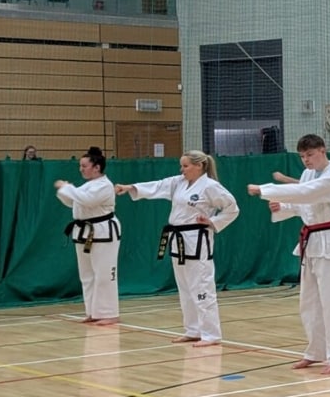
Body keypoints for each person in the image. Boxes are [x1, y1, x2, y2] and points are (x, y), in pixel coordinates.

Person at [248, 135, 330, 375]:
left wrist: (265, 190)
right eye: (303, 156)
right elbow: (304, 204)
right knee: (309, 301)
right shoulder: (308, 175)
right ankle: (316, 351)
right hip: (311, 240)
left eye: (310, 155)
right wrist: (283, 207)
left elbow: (308, 193)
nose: (306, 160)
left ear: (323, 150)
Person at [115, 151, 238, 345]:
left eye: (186, 166)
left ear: (199, 166)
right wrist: (130, 187)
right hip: (177, 238)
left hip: (197, 238)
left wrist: (213, 221)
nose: (182, 170)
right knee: (185, 287)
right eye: (181, 166)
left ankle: (211, 334)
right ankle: (193, 329)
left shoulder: (211, 186)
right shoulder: (178, 182)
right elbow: (157, 186)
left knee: (202, 286)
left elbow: (232, 208)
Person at [55, 146, 120, 325]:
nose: (81, 169)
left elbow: (86, 200)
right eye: (80, 166)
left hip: (103, 231)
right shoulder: (87, 185)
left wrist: (66, 187)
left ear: (96, 167)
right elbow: (72, 201)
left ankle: (110, 313)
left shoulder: (105, 185)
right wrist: (66, 191)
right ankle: (93, 311)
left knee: (104, 273)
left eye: (84, 166)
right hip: (84, 231)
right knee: (87, 274)